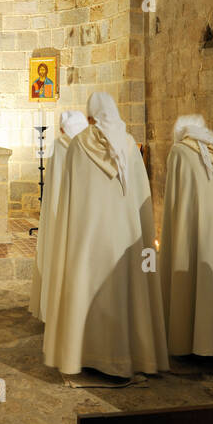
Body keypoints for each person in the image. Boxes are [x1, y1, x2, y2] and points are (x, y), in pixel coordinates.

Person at [42, 93, 168, 380]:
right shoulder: (128, 145)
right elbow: (141, 196)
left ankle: (85, 355)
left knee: (87, 289)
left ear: (90, 117)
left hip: (87, 238)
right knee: (126, 291)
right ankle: (129, 355)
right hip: (124, 237)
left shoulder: (78, 145)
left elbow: (70, 199)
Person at [160, 114, 213, 357]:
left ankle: (200, 342)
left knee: (202, 280)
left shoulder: (179, 151)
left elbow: (176, 201)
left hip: (204, 224)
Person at [29, 110, 88, 322]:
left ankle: (56, 308)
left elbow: (53, 190)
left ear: (63, 128)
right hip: (83, 214)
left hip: (61, 211)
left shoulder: (60, 146)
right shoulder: (89, 146)